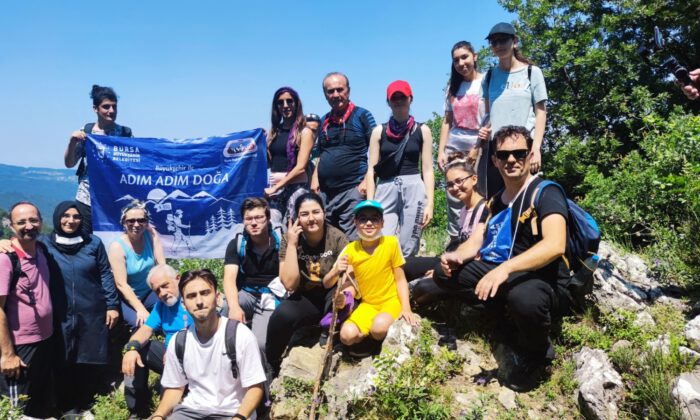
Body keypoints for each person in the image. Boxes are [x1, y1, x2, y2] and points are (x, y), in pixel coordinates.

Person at [434, 125, 570, 391]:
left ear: (531, 156)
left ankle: (538, 353)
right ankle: (502, 317)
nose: (511, 159)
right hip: (505, 272)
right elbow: (478, 239)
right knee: (444, 274)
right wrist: (456, 256)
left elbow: (555, 245)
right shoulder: (495, 202)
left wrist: (504, 269)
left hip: (542, 277)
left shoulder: (546, 192)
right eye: (504, 154)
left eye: (519, 153)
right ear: (494, 160)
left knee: (524, 299)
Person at [151, 269, 266, 420]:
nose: (199, 301)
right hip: (190, 411)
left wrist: (239, 417)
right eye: (191, 296)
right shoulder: (179, 341)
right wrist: (158, 416)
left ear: (217, 297)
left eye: (205, 293)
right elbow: (174, 388)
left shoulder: (240, 336)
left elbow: (256, 387)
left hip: (233, 413)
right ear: (184, 305)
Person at [265, 193, 349, 372]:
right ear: (296, 218)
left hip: (331, 293)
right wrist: (293, 246)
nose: (311, 218)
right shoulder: (290, 239)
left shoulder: (337, 238)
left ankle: (329, 332)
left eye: (316, 212)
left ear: (324, 214)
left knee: (339, 300)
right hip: (306, 296)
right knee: (281, 316)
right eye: (304, 214)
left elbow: (345, 279)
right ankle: (271, 362)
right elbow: (289, 284)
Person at [333, 200, 417, 355]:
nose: (369, 223)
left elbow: (400, 279)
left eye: (374, 218)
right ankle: (370, 342)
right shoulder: (351, 250)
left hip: (391, 301)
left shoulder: (391, 243)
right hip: (368, 304)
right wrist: (343, 298)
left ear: (382, 223)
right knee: (346, 335)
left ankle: (376, 339)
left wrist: (406, 308)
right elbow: (350, 285)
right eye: (363, 219)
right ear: (355, 223)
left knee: (378, 328)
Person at [366, 80, 435, 257]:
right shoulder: (378, 131)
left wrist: (430, 203)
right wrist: (370, 202)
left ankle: (406, 280)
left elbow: (427, 169)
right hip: (385, 187)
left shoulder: (423, 130)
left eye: (402, 97)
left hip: (414, 186)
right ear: (388, 102)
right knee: (381, 238)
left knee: (409, 242)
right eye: (394, 98)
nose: (398, 102)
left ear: (410, 99)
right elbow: (371, 170)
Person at [480, 22, 548, 197]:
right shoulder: (488, 77)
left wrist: (536, 148)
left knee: (529, 201)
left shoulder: (532, 72)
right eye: (494, 42)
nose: (499, 45)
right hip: (499, 153)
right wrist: (484, 131)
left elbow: (541, 112)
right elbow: (488, 115)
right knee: (499, 202)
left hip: (524, 150)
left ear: (515, 42)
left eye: (503, 40)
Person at [408, 157, 487, 306]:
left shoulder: (486, 209)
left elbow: (480, 253)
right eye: (450, 184)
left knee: (422, 289)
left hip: (472, 269)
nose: (455, 187)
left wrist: (438, 272)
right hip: (456, 263)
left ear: (474, 179)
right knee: (406, 264)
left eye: (459, 181)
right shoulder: (464, 209)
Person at [0, 202, 53, 418]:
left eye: (33, 220)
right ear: (11, 227)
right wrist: (7, 354)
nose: (28, 226)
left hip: (44, 339)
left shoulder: (41, 250)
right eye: (21, 222)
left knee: (35, 402)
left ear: (41, 222)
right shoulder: (6, 259)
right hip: (19, 346)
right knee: (14, 409)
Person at [311, 72, 377, 240]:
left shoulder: (362, 116)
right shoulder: (324, 121)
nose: (335, 95)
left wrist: (366, 182)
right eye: (330, 91)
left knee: (354, 243)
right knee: (330, 244)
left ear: (349, 90)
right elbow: (320, 154)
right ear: (325, 94)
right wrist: (315, 178)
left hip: (352, 190)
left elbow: (379, 150)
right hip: (326, 195)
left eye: (340, 89)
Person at [122, 264, 191, 418]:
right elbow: (146, 329)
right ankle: (137, 410)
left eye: (165, 286)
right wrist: (131, 348)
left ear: (178, 279)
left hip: (192, 360)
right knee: (136, 351)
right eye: (157, 290)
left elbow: (202, 334)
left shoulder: (192, 298)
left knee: (167, 408)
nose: (162, 293)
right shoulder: (161, 306)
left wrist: (176, 350)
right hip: (168, 359)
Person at [64, 85, 133, 234]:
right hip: (87, 198)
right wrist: (72, 141)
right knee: (87, 243)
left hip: (114, 198)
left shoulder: (125, 133)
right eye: (106, 107)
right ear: (95, 109)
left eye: (114, 107)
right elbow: (69, 163)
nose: (112, 111)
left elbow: (135, 164)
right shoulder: (86, 131)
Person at [437, 41, 487, 239]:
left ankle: (477, 237)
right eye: (456, 60)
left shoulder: (486, 82)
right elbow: (447, 121)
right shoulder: (452, 88)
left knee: (478, 191)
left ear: (474, 56)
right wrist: (441, 151)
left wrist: (477, 148)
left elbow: (490, 117)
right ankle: (456, 238)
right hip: (455, 146)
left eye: (464, 57)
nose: (461, 63)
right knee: (455, 193)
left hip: (480, 145)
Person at [223, 198, 281, 352]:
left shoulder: (282, 241)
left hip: (273, 297)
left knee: (259, 344)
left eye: (259, 217)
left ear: (267, 219)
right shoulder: (236, 244)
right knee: (223, 307)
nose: (254, 223)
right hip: (248, 295)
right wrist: (234, 307)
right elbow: (228, 280)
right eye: (248, 219)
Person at [107, 200, 165, 329]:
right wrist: (141, 309)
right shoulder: (117, 247)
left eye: (141, 220)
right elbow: (121, 284)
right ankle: (134, 348)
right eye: (131, 221)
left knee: (171, 308)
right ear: (124, 223)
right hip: (126, 298)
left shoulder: (150, 236)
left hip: (148, 292)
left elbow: (162, 266)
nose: (136, 224)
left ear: (147, 222)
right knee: (141, 324)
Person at [264, 87, 314, 224]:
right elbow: (270, 163)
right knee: (273, 228)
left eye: (289, 101)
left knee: (294, 228)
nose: (285, 106)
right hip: (275, 191)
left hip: (296, 188)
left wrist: (277, 185)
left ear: (296, 104)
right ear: (276, 106)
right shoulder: (273, 132)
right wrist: (260, 143)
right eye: (280, 102)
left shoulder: (305, 132)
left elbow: (301, 167)